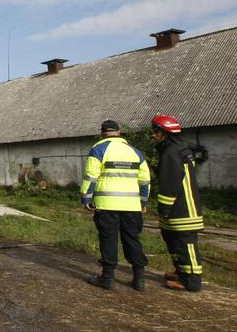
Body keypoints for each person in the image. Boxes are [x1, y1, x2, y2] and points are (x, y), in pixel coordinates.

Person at [80, 120, 150, 291]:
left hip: (107, 204)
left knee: (108, 239)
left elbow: (90, 177)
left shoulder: (98, 150)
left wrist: (86, 199)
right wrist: (143, 201)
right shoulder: (135, 152)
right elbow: (145, 180)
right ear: (119, 132)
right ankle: (139, 279)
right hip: (132, 205)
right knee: (132, 239)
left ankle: (108, 278)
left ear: (102, 133)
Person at [151, 114, 204, 292]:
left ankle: (192, 281)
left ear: (164, 132)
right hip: (181, 206)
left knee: (185, 243)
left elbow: (169, 183)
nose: (153, 134)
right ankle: (181, 271)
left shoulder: (170, 152)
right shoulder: (180, 148)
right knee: (171, 238)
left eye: (155, 130)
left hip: (181, 209)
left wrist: (163, 208)